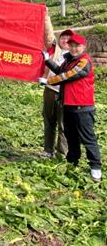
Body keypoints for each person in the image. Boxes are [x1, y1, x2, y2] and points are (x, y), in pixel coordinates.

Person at [43, 33, 102, 182]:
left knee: (88, 138)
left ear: (83, 47)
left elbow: (68, 75)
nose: (74, 48)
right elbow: (60, 71)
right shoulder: (69, 60)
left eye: (77, 46)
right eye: (72, 45)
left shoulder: (84, 61)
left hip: (83, 106)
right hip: (68, 105)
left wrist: (48, 81)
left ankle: (95, 166)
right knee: (71, 136)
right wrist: (47, 60)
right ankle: (72, 161)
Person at [40, 29, 72, 158]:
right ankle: (48, 150)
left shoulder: (75, 56)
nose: (65, 40)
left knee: (63, 124)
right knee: (49, 120)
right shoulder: (54, 50)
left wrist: (49, 80)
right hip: (50, 91)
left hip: (66, 93)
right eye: (63, 38)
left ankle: (62, 153)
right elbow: (47, 34)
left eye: (68, 38)